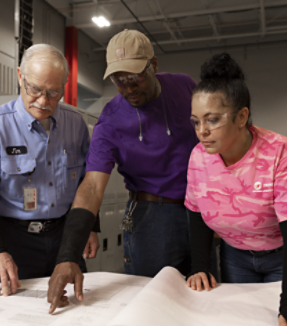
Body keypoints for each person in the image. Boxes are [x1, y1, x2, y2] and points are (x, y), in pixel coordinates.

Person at [46, 29, 198, 313]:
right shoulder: (111, 121)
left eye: (134, 77)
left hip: (200, 210)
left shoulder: (185, 87)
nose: (128, 88)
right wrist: (67, 256)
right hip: (153, 215)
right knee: (154, 304)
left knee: (202, 298)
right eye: (118, 79)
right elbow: (92, 187)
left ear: (153, 65)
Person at [184, 53, 287, 326]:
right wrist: (200, 266)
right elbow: (196, 212)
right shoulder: (198, 157)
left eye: (212, 119)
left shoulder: (279, 151)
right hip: (235, 255)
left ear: (241, 117)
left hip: (284, 254)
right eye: (195, 121)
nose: (201, 131)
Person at [0, 44, 100, 298]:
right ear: (20, 76)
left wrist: (89, 226)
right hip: (14, 241)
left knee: (75, 311)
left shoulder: (75, 124)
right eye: (34, 89)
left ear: (64, 85)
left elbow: (87, 182)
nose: (43, 101)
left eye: (54, 92)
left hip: (66, 237)